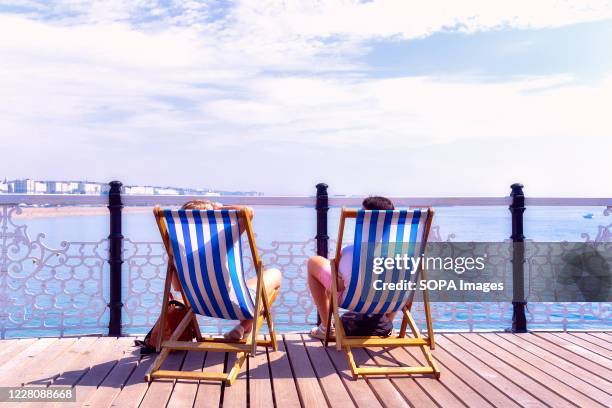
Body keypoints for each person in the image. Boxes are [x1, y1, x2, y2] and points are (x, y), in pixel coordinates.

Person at [179, 200, 282, 341]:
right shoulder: (221, 239)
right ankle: (244, 326)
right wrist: (219, 207)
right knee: (275, 274)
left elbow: (177, 287)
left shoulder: (177, 249)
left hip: (200, 305)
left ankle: (245, 327)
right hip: (235, 305)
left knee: (252, 285)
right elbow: (248, 211)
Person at [307, 196, 396, 340]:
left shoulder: (349, 252)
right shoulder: (406, 253)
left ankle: (326, 327)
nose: (357, 218)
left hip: (352, 300)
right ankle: (386, 324)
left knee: (314, 262)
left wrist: (335, 269)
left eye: (361, 214)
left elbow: (338, 287)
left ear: (366, 221)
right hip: (389, 302)